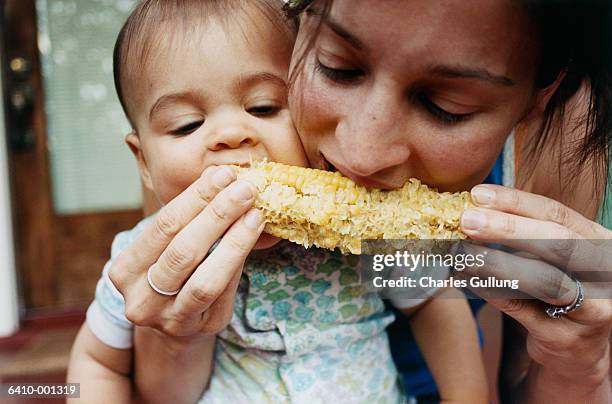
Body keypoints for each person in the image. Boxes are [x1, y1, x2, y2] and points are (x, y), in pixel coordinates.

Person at [88, 0, 611, 403]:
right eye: (337, 67)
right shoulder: (150, 245)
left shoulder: (373, 248)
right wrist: (174, 340)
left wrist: (581, 362)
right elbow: (109, 366)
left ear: (539, 98)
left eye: (446, 105)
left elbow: (440, 312)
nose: (360, 157)